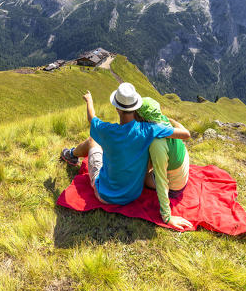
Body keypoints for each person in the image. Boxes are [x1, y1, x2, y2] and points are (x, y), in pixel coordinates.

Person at [61, 82, 190, 210]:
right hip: (133, 194)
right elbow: (185, 134)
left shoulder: (107, 130)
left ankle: (71, 155)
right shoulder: (149, 129)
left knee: (91, 141)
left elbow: (91, 118)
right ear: (136, 107)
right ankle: (71, 154)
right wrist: (168, 121)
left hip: (105, 195)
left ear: (117, 108)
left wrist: (89, 100)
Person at [137, 97, 192, 231]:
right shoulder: (163, 121)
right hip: (182, 174)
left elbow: (162, 180)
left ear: (142, 119)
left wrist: (167, 217)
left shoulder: (156, 143)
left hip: (174, 187)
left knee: (138, 177)